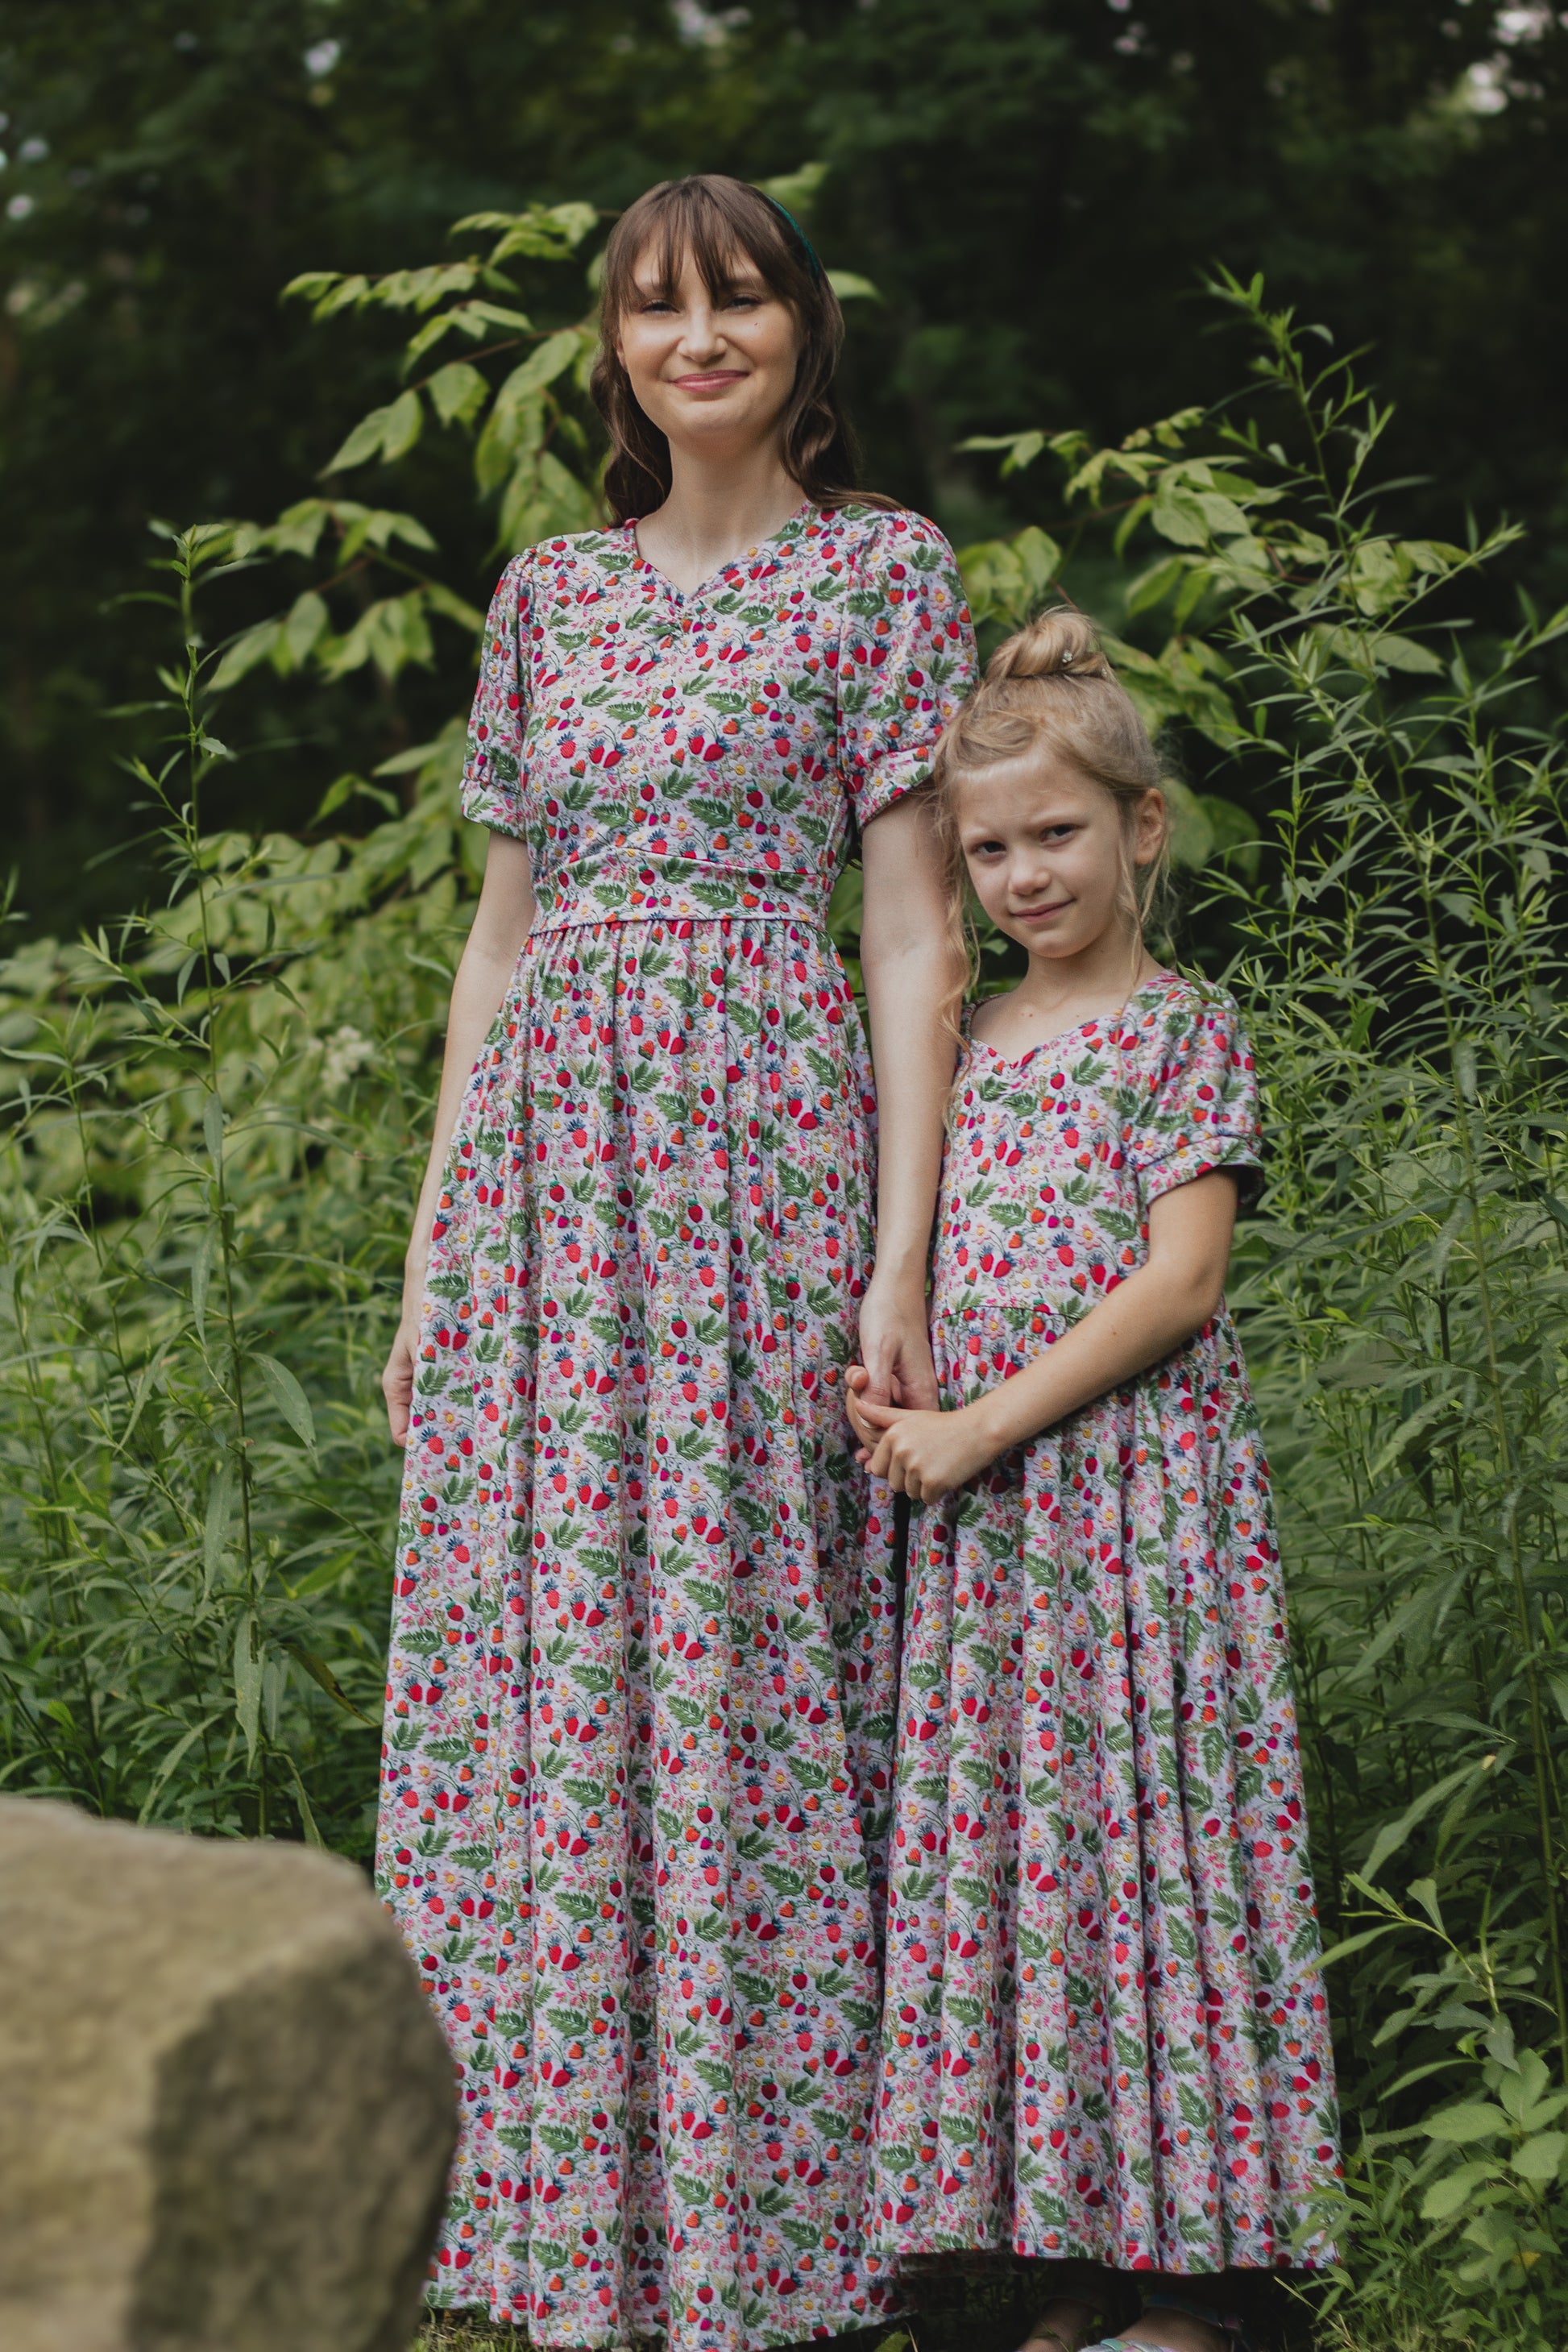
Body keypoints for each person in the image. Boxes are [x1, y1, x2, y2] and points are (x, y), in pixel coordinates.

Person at [374, 172, 975, 2351]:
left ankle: (774, 2236)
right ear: (613, 350)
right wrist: (438, 1252)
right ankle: (558, 2232)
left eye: (735, 299)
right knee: (551, 1660)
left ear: (803, 330)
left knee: (746, 1656)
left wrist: (902, 1253)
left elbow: (912, 935)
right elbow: (496, 950)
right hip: (553, 1180)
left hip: (766, 1150)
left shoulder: (885, 571)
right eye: (653, 307)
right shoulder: (548, 594)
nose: (695, 336)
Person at [848, 611, 1342, 2352]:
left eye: (1053, 833)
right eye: (984, 848)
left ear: (1139, 828)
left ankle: (1195, 2286)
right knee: (1025, 1874)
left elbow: (1178, 1282)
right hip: (990, 1561)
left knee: (1151, 1861)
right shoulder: (959, 1041)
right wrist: (900, 1388)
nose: (1019, 873)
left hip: (1136, 1522)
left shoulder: (1174, 1033)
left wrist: (980, 1425)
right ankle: (1057, 2263)